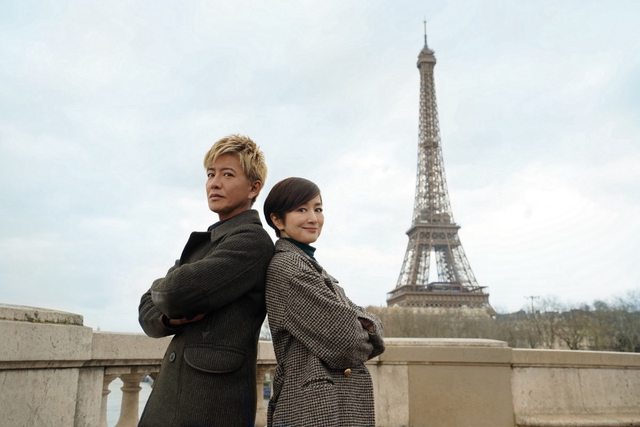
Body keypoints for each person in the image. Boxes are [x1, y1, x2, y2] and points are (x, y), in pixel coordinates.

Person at [138, 134, 274, 427]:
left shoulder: (252, 241)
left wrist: (164, 286)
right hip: (174, 400)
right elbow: (146, 310)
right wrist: (169, 316)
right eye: (211, 174)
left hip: (209, 405)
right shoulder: (209, 243)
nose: (214, 183)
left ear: (254, 187)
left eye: (228, 174)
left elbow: (174, 293)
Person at [262, 177, 385, 427]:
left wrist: (362, 322)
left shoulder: (309, 266)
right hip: (315, 409)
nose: (313, 218)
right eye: (301, 210)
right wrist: (364, 323)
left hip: (320, 406)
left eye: (318, 209)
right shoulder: (290, 268)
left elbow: (360, 328)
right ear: (277, 220)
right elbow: (348, 340)